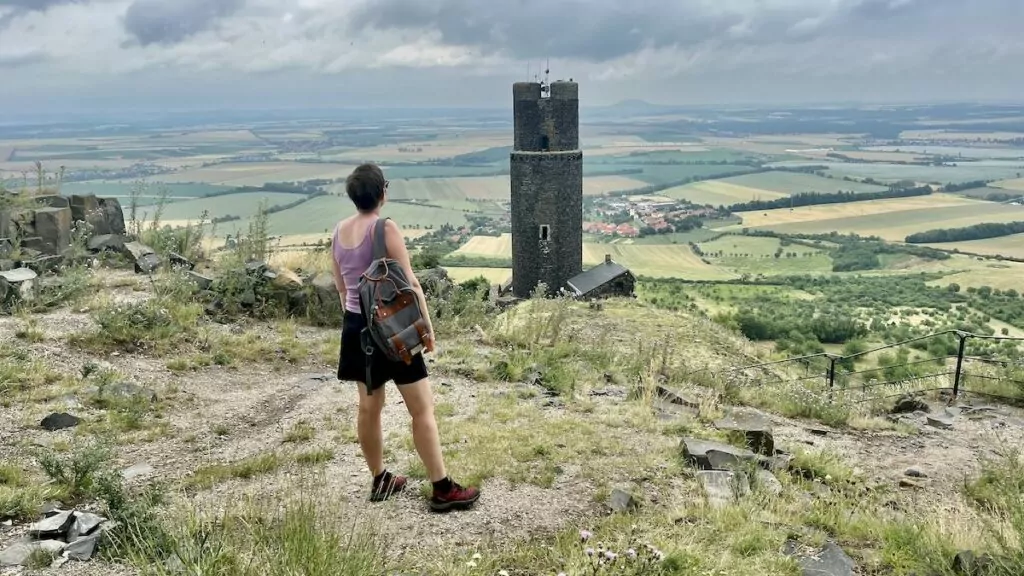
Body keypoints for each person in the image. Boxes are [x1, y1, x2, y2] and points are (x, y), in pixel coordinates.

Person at [330, 162, 480, 512]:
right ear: (383, 192)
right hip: (393, 330)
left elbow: (341, 289)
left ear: (354, 197)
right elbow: (410, 283)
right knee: (421, 408)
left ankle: (380, 478)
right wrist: (425, 327)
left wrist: (357, 323)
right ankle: (442, 488)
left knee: (369, 408)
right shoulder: (385, 228)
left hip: (357, 327)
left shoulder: (338, 232)